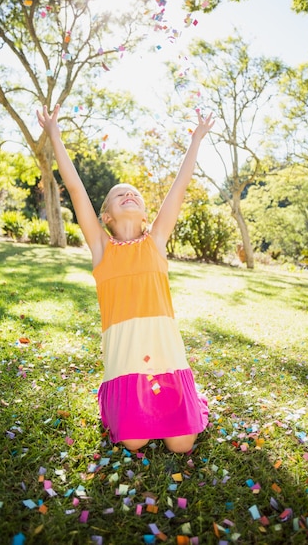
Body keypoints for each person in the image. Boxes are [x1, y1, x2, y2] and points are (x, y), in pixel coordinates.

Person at [37, 104, 214, 453]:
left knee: (182, 445)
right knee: (133, 442)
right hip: (125, 361)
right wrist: (54, 134)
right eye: (120, 194)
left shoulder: (156, 241)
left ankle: (193, 400)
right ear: (106, 214)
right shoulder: (101, 246)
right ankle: (119, 405)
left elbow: (179, 187)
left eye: (135, 193)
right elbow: (74, 187)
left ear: (147, 212)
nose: (129, 194)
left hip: (165, 354)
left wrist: (195, 140)